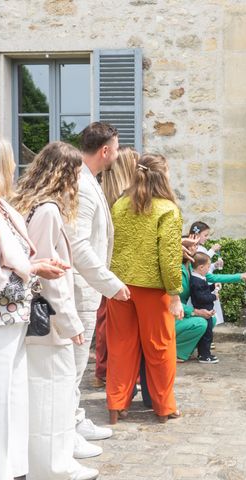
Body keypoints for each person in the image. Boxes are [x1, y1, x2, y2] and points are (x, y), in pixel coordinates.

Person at [13, 142, 99, 480]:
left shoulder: (29, 205)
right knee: (54, 393)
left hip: (38, 320)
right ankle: (55, 468)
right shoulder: (48, 211)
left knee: (44, 393)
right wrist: (69, 321)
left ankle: (50, 464)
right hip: (49, 322)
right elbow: (52, 276)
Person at [0, 134, 68, 480]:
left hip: (13, 319)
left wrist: (36, 265)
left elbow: (18, 260)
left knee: (13, 395)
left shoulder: (2, 207)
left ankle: (12, 469)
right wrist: (35, 268)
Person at [65, 122, 130, 458]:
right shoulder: (85, 186)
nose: (118, 154)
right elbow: (78, 244)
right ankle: (65, 435)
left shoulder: (88, 181)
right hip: (80, 289)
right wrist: (110, 284)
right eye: (116, 148)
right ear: (105, 150)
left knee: (77, 367)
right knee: (73, 366)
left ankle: (74, 420)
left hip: (87, 288)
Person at [107, 153, 184, 424]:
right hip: (152, 289)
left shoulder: (119, 205)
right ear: (163, 175)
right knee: (160, 347)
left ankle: (116, 404)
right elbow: (170, 255)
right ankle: (164, 406)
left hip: (119, 286)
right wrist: (175, 293)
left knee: (120, 346)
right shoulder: (167, 209)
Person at [94, 146, 139, 389]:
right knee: (121, 325)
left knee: (103, 321)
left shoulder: (103, 192)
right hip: (121, 268)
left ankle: (102, 369)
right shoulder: (126, 200)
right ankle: (119, 373)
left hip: (104, 266)